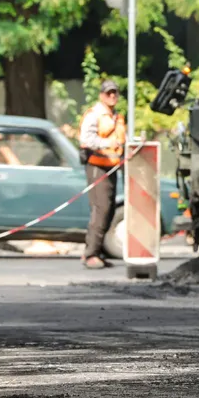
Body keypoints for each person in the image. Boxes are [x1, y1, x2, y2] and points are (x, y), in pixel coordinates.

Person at [78, 79, 126, 269]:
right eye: (108, 93)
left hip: (111, 167)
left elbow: (121, 140)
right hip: (97, 167)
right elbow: (86, 139)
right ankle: (91, 254)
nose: (112, 96)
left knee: (110, 210)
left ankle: (97, 251)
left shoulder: (117, 117)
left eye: (115, 92)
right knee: (101, 209)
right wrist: (107, 144)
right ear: (101, 95)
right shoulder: (95, 115)